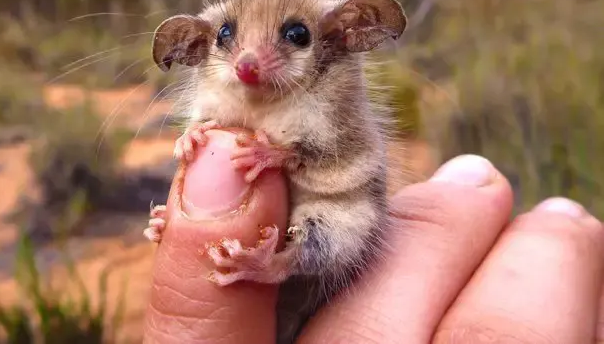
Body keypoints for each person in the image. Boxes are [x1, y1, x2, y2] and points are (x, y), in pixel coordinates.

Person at [142, 129, 604, 343]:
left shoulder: (331, 106)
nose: (247, 63)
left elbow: (345, 160)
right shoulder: (217, 103)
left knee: (337, 230)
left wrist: (286, 154)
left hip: (322, 240)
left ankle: (277, 261)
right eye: (226, 35)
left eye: (295, 35)